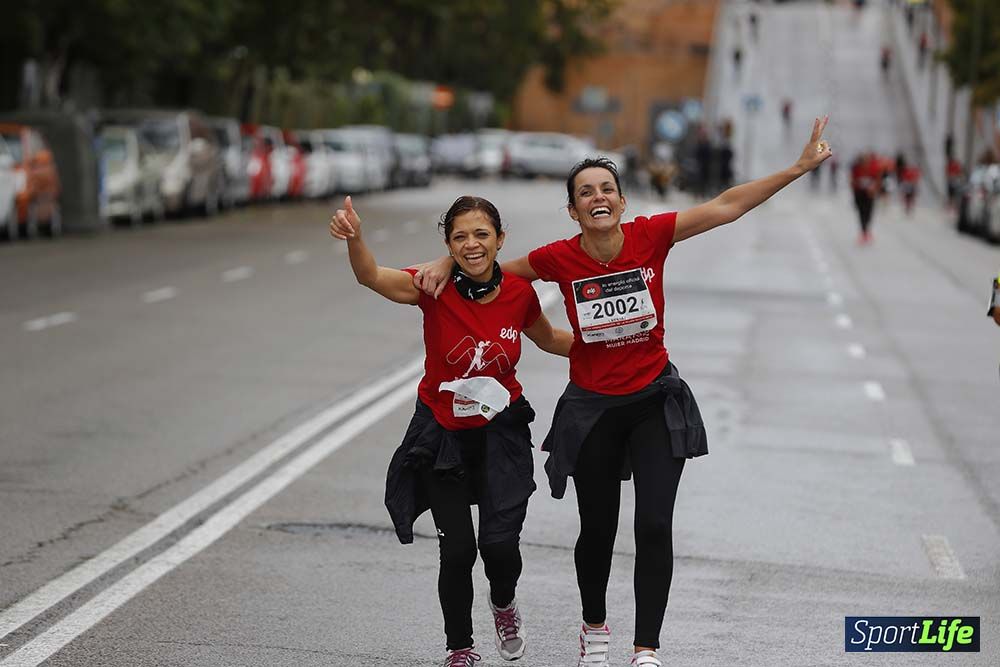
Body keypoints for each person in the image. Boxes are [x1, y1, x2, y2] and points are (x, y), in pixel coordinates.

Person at [413, 117, 834, 667]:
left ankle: (646, 649)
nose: (598, 197)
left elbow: (727, 205)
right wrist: (447, 258)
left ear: (622, 200)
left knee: (655, 523)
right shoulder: (556, 258)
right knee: (598, 530)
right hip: (592, 408)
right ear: (574, 210)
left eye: (606, 189)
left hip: (654, 399)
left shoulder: (651, 234)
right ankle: (594, 628)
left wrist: (798, 169)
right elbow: (489, 268)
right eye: (585, 192)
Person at [329, 195, 574, 666]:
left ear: (500, 240)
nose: (471, 244)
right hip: (442, 433)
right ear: (447, 244)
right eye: (459, 236)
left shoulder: (520, 294)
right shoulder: (433, 286)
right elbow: (371, 276)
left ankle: (503, 603)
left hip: (501, 432)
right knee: (459, 550)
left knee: (499, 547)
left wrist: (612, 344)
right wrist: (356, 237)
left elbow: (549, 340)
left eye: (482, 234)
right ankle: (460, 648)